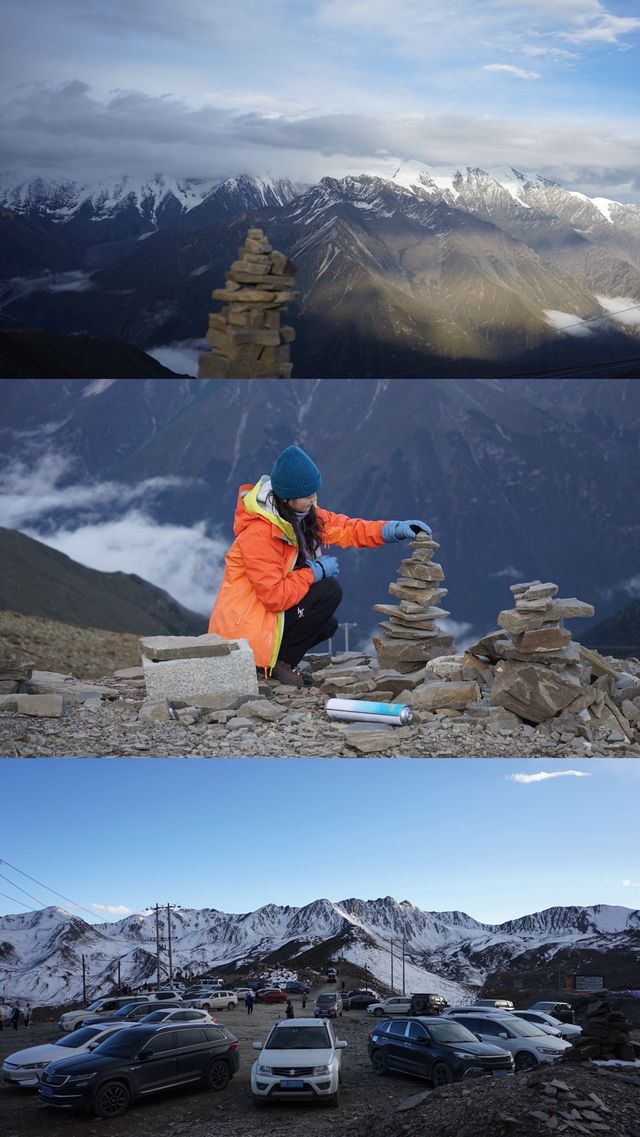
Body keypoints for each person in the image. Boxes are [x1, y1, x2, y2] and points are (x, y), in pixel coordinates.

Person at [209, 445, 432, 687]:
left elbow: (346, 528)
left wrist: (392, 530)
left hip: (265, 617)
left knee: (327, 625)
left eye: (314, 492)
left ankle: (279, 661)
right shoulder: (260, 533)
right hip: (244, 633)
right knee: (328, 590)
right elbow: (273, 596)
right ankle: (273, 665)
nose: (314, 499)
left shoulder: (302, 515)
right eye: (308, 495)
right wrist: (313, 573)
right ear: (287, 498)